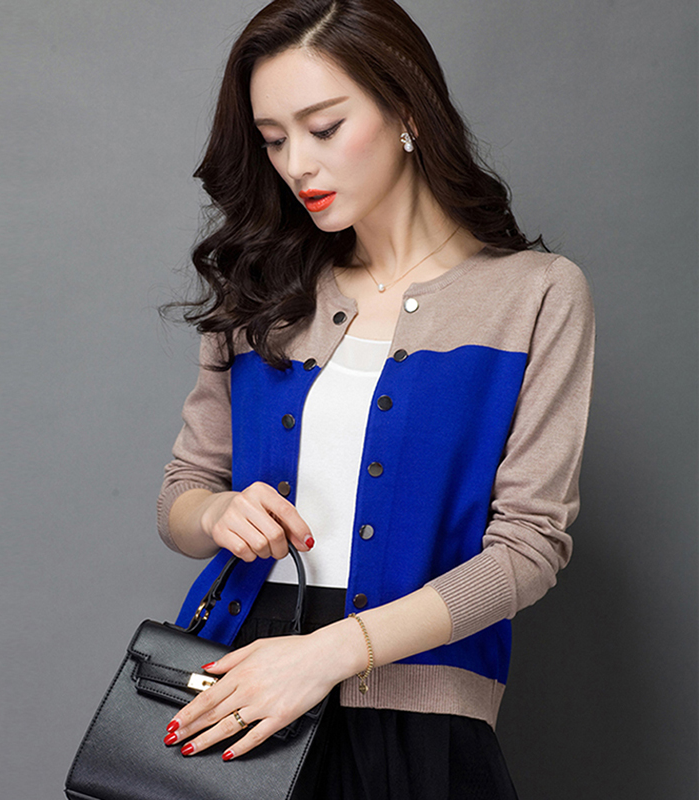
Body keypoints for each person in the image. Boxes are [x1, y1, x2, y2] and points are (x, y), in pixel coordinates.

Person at [157, 0, 595, 797]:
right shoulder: (263, 291)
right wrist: (217, 513)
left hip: (414, 715)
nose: (298, 165)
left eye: (324, 128)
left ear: (407, 112)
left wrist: (331, 653)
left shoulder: (534, 296)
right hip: (234, 691)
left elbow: (528, 548)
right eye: (274, 139)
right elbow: (182, 495)